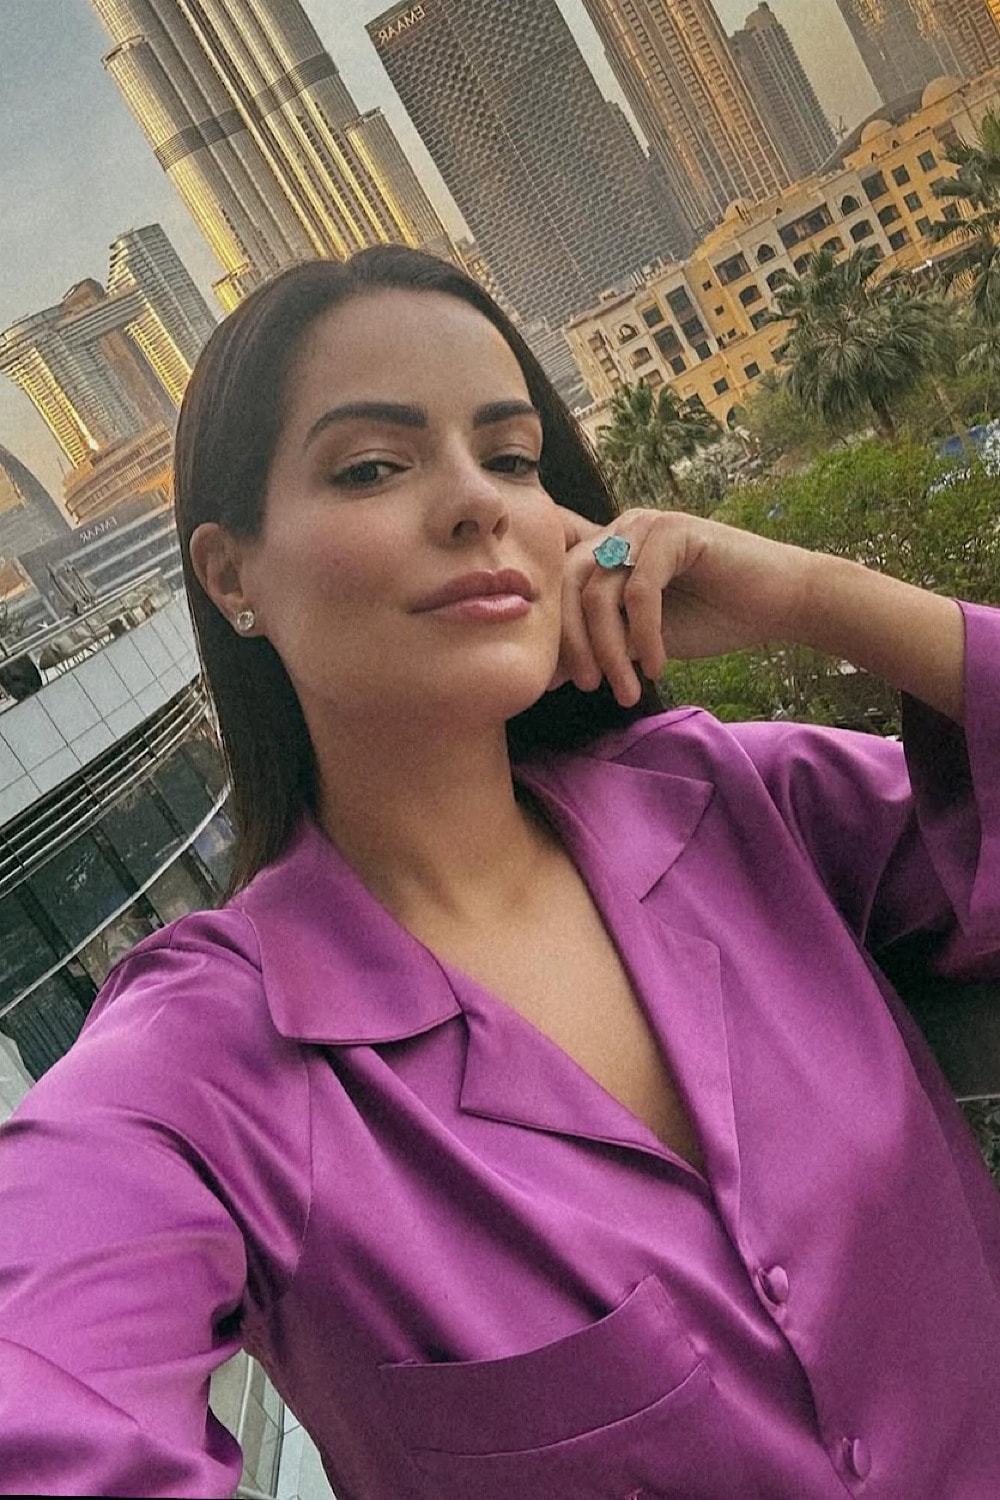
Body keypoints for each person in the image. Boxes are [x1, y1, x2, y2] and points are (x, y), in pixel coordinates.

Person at [0, 245, 998, 1500]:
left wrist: (814, 596)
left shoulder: (738, 803)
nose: (477, 503)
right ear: (232, 574)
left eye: (512, 458)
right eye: (372, 466)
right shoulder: (206, 1066)